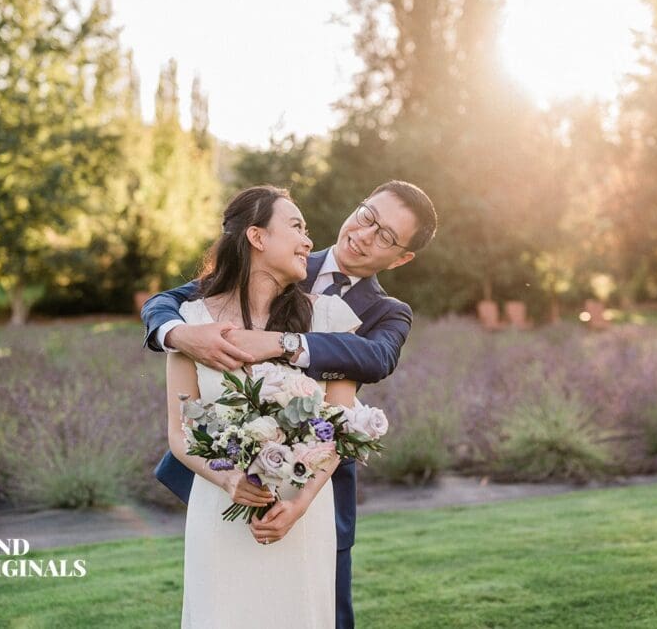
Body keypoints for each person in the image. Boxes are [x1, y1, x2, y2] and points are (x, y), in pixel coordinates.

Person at [145, 180, 438, 629]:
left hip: (314, 495)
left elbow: (374, 360)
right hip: (221, 489)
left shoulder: (382, 311)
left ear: (402, 258)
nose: (363, 234)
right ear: (258, 237)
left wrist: (278, 343)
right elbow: (166, 305)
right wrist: (178, 336)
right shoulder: (270, 262)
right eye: (367, 216)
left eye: (385, 236)